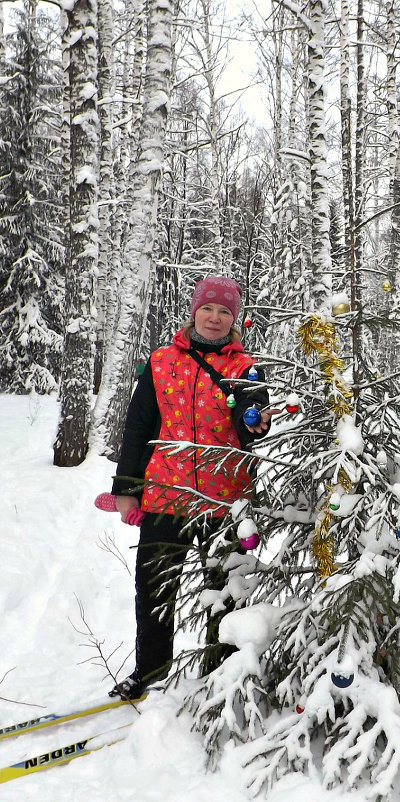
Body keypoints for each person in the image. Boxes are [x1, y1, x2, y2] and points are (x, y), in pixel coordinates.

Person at [109, 276, 277, 700]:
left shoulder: (246, 367)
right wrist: (126, 489)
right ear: (194, 311)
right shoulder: (161, 360)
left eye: (225, 311)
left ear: (235, 319)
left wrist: (255, 421)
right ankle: (150, 671)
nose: (215, 318)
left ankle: (218, 675)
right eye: (209, 309)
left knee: (224, 590)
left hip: (226, 501)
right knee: (154, 588)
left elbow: (252, 422)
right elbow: (138, 427)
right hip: (166, 494)